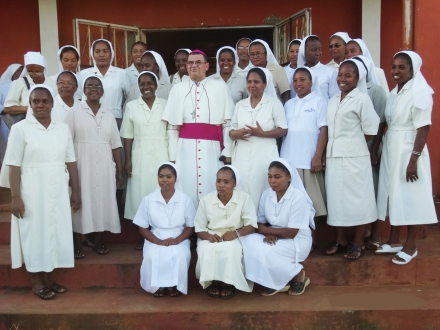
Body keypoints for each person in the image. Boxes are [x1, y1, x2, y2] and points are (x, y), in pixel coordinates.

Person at [0, 84, 81, 300]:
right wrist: (16, 197)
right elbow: (13, 166)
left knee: (53, 231)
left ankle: (47, 278)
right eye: (36, 101)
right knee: (34, 233)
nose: (41, 105)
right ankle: (36, 281)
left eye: (45, 101)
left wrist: (76, 191)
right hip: (31, 189)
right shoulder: (20, 129)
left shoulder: (61, 128)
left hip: (57, 187)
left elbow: (71, 160)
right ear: (30, 104)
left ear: (52, 104)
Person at [376, 51, 437, 264]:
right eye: (394, 67)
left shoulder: (419, 92)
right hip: (392, 146)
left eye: (402, 67)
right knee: (393, 192)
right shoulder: (394, 93)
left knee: (409, 195)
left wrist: (414, 160)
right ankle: (393, 239)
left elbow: (423, 128)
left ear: (413, 69)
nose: (396, 71)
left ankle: (411, 245)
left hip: (409, 149)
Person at [161, 50, 234, 208]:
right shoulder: (177, 89)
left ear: (207, 66)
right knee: (186, 184)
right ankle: (189, 224)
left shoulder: (219, 87)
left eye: (198, 62)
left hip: (212, 149)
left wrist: (228, 150)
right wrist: (172, 155)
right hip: (184, 149)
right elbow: (173, 127)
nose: (194, 65)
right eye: (190, 63)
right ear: (186, 66)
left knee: (210, 182)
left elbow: (227, 123)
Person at [325, 59, 380, 260]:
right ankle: (340, 240)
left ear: (358, 78)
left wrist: (351, 144)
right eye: (340, 74)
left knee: (360, 200)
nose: (342, 78)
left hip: (355, 158)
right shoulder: (332, 100)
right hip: (334, 157)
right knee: (337, 200)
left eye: (348, 75)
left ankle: (358, 242)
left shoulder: (362, 100)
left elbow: (371, 130)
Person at [64, 76, 123, 258]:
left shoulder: (109, 115)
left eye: (97, 86)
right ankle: (77, 243)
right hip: (82, 164)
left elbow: (115, 145)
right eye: (89, 86)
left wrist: (119, 171)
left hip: (105, 165)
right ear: (84, 90)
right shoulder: (73, 113)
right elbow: (66, 144)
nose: (93, 88)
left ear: (103, 91)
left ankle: (98, 241)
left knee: (102, 202)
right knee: (80, 202)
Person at [241, 158, 314, 296]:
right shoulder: (266, 194)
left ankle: (295, 274)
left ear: (289, 177)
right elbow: (260, 222)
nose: (272, 181)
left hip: (297, 241)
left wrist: (266, 230)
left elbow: (292, 232)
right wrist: (268, 233)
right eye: (269, 176)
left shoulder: (298, 197)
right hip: (273, 236)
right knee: (245, 241)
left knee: (266, 252)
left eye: (277, 177)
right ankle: (280, 279)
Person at [280, 67, 328, 251]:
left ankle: (312, 238)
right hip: (290, 159)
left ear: (311, 82)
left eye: (303, 80)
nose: (298, 83)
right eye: (295, 80)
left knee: (311, 202)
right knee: (293, 202)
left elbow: (324, 129)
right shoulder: (289, 104)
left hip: (308, 160)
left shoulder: (319, 102)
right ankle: (296, 238)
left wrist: (318, 156)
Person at [133, 162, 195, 297]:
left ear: (176, 179)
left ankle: (174, 285)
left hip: (179, 236)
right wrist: (158, 241)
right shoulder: (149, 199)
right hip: (155, 235)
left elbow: (191, 227)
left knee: (179, 254)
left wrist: (177, 240)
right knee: (153, 254)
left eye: (168, 176)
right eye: (161, 176)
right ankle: (157, 286)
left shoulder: (185, 200)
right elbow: (142, 227)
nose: (164, 180)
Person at [195, 166, 257, 299]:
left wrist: (236, 233)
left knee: (230, 250)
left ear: (235, 183)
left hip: (235, 235)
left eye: (226, 182)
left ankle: (228, 282)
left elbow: (252, 225)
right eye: (218, 181)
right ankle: (214, 281)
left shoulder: (244, 198)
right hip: (210, 235)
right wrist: (209, 237)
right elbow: (199, 228)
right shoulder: (206, 200)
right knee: (207, 249)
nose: (221, 185)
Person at [229, 67, 287, 209]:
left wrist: (263, 134)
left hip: (264, 154)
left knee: (262, 186)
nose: (252, 85)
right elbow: (231, 130)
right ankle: (244, 222)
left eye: (256, 82)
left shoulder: (274, 103)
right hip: (241, 154)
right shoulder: (239, 105)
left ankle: (261, 222)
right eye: (249, 82)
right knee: (242, 187)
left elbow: (283, 130)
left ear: (265, 84)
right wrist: (236, 134)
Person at [121, 71, 174, 221]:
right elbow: (127, 135)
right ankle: (143, 228)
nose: (146, 86)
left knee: (160, 187)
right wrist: (128, 160)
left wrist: (172, 157)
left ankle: (162, 225)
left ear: (156, 85)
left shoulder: (165, 104)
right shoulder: (131, 106)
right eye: (142, 84)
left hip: (162, 151)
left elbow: (171, 132)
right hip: (140, 153)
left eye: (150, 83)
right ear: (138, 87)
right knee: (140, 190)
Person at [352, 55, 387, 250]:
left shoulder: (376, 91)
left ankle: (375, 232)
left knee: (372, 189)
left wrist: (374, 150)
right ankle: (360, 232)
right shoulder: (345, 91)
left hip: (371, 146)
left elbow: (382, 122)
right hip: (352, 149)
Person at [79, 39, 131, 128]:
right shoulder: (84, 74)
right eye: (97, 52)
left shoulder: (122, 74)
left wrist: (124, 115)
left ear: (111, 54)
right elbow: (78, 97)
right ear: (93, 54)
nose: (101, 55)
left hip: (116, 119)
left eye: (105, 51)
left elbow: (129, 97)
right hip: (90, 120)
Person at [4, 52, 58, 122]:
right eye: (30, 72)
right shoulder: (19, 83)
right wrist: (31, 108)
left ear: (43, 69)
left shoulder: (52, 84)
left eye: (38, 72)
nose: (34, 75)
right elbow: (7, 108)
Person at [298, 35, 339, 101]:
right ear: (304, 52)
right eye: (314, 50)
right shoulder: (298, 74)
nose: (318, 53)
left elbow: (334, 98)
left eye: (320, 49)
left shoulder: (330, 72)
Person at [249, 39, 290, 103]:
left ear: (266, 54)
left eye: (258, 53)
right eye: (252, 54)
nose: (255, 57)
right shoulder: (249, 73)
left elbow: (286, 95)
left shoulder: (278, 70)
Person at [0, 64, 23, 167]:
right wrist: (8, 110)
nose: (20, 73)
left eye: (22, 70)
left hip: (23, 119)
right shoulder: (2, 87)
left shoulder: (25, 85)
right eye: (18, 71)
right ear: (12, 72)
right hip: (6, 120)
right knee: (7, 146)